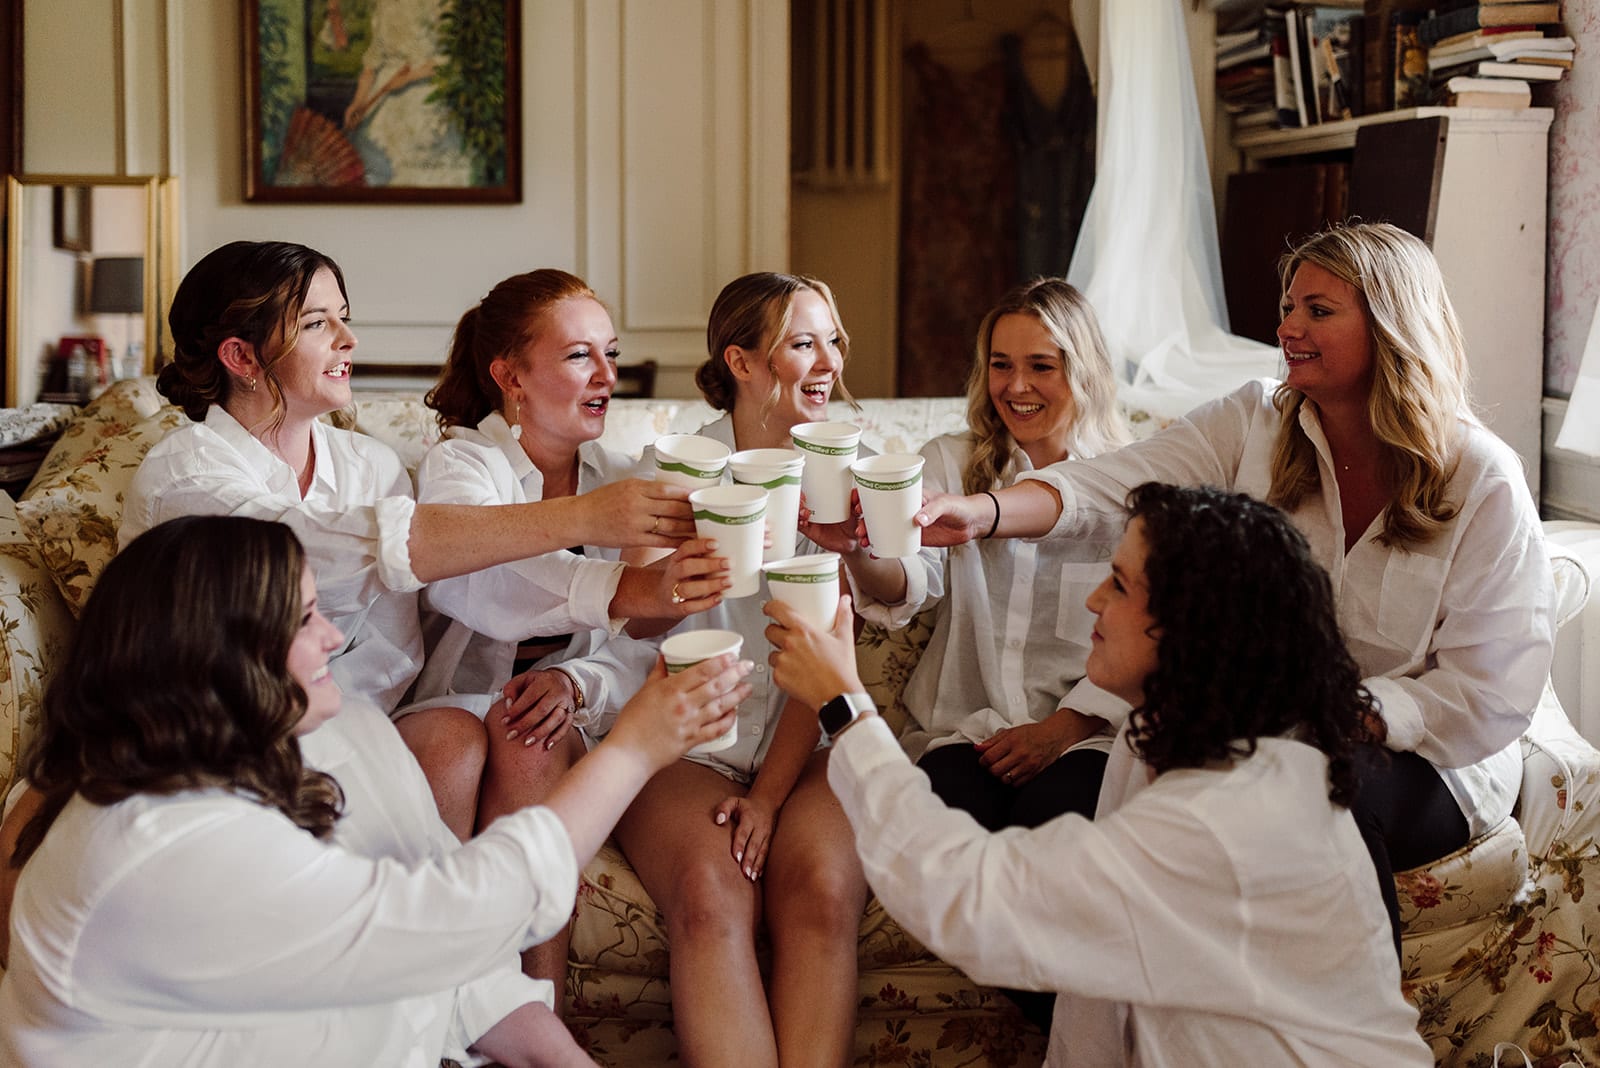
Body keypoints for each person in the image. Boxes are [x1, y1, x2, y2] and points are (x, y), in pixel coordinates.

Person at [911, 222, 1556, 944]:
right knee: (1086, 820)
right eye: (1288, 307)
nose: (1288, 328)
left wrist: (1337, 716)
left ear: (1391, 326)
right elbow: (1108, 485)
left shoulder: (1482, 479)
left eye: (1317, 310)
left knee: (1314, 794)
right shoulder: (1255, 420)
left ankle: (1346, 1006)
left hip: (1429, 756)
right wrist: (980, 513)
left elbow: (1489, 692)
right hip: (1263, 736)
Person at [0, 515, 750, 1066]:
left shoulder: (340, 729)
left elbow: (460, 965)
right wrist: (635, 749)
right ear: (216, 660)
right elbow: (458, 915)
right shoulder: (157, 849)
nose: (335, 637)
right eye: (304, 620)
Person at [765, 482, 1435, 1067]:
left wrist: (845, 705)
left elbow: (968, 899)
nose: (1092, 600)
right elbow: (1097, 1012)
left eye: (1118, 584)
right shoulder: (1163, 748)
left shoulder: (1222, 822)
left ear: (1188, 629)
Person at [119, 241, 696, 839]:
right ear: (241, 355)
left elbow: (391, 649)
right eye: (317, 323)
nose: (348, 339)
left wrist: (345, 736)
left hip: (347, 717)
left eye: (345, 317)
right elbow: (309, 548)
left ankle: (451, 892)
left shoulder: (371, 465)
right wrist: (585, 523)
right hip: (217, 731)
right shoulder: (185, 476)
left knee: (453, 736)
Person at [561, 272, 869, 1068]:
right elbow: (636, 628)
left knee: (825, 892)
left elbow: (826, 666)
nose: (829, 362)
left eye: (833, 342)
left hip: (810, 744)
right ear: (742, 362)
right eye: (804, 344)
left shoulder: (846, 477)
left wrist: (768, 798)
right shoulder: (671, 472)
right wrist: (683, 570)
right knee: (709, 897)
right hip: (686, 744)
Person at [412, 268, 729, 1008]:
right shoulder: (462, 464)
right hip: (458, 697)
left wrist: (575, 680)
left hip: (571, 717)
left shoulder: (626, 476)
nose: (607, 376)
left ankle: (536, 1009)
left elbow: (641, 646)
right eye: (580, 355)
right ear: (510, 376)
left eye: (610, 354)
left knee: (530, 735)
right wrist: (628, 585)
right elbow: (479, 580)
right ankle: (437, 1005)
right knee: (468, 742)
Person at [842, 278, 1129, 828]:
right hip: (964, 730)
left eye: (1041, 366)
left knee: (1056, 827)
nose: (1016, 386)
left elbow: (1146, 638)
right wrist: (857, 549)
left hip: (1088, 734)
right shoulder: (949, 463)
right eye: (1001, 365)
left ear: (1084, 371)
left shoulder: (1125, 480)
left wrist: (1060, 730)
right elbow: (909, 585)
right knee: (948, 833)